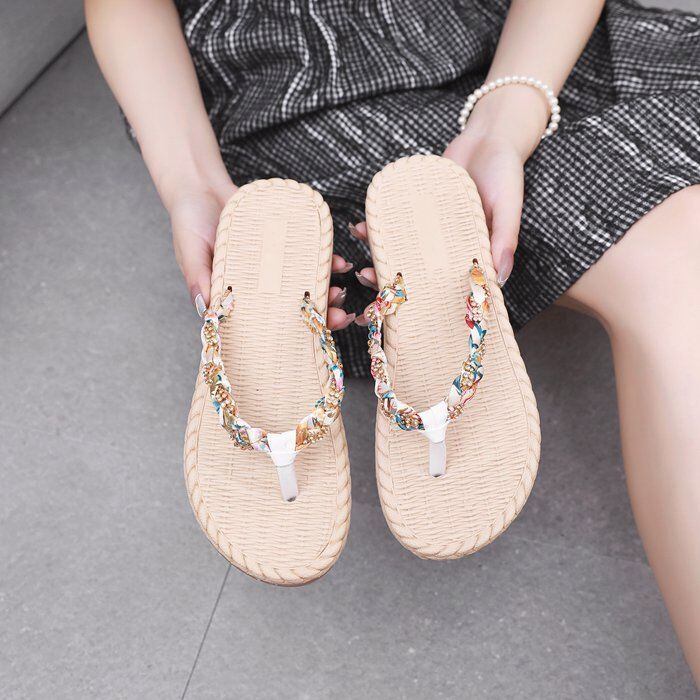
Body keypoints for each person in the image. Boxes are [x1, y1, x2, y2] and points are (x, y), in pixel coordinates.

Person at [85, 0, 700, 682]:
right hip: (292, 88)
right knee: (672, 267)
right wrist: (194, 183)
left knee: (683, 254)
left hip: (510, 50)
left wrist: (503, 124)